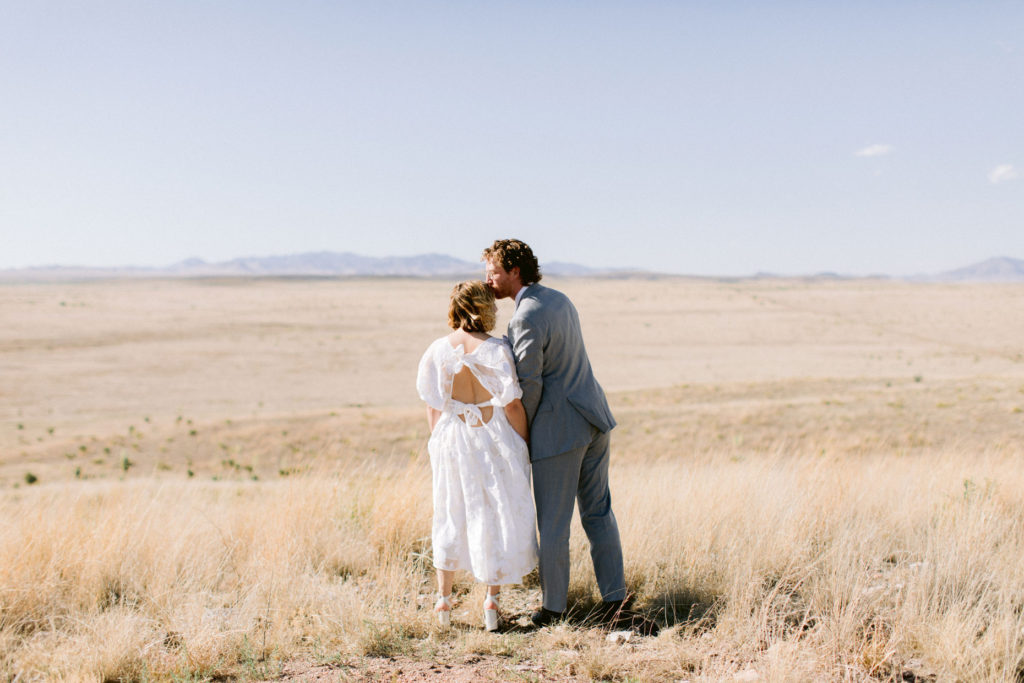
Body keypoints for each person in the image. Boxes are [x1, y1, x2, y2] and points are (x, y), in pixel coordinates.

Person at [483, 239, 628, 628]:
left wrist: (521, 435)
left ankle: (554, 610)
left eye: (493, 271)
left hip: (560, 431)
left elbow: (529, 386)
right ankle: (616, 602)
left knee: (553, 524)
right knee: (599, 513)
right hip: (595, 417)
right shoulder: (560, 299)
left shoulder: (524, 316)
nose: (488, 280)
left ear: (514, 271)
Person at [416, 280, 538, 631]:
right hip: (492, 438)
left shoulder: (437, 350)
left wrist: (438, 442)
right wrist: (523, 441)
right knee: (493, 512)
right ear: (486, 307)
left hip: (453, 437)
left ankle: (443, 603)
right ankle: (491, 602)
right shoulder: (496, 349)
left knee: (450, 511)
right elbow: (512, 404)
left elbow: (432, 405)